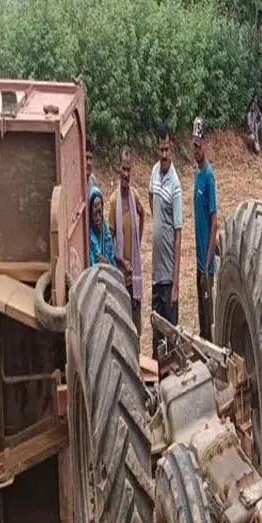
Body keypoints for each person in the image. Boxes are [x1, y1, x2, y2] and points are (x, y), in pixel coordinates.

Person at [148, 123, 184, 361]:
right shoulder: (154, 172)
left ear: (171, 148)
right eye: (160, 150)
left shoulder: (175, 185)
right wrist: (158, 223)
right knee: (156, 336)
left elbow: (179, 235)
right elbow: (151, 196)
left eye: (166, 150)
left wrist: (176, 284)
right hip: (155, 274)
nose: (163, 155)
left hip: (168, 276)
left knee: (171, 339)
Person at [108, 147, 147, 335]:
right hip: (121, 276)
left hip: (134, 276)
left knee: (136, 327)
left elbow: (143, 214)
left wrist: (138, 243)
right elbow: (110, 242)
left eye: (128, 170)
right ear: (118, 169)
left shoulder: (134, 196)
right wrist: (122, 262)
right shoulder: (113, 202)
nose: (125, 174)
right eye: (123, 169)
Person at [192, 117, 218, 341]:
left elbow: (214, 223)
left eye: (199, 146)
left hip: (206, 264)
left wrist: (207, 265)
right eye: (193, 146)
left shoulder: (208, 177)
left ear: (205, 145)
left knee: (209, 319)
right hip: (198, 261)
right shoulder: (197, 175)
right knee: (201, 315)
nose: (196, 150)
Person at [87, 186, 116, 267]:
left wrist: (106, 262)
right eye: (94, 214)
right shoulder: (89, 237)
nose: (98, 218)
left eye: (100, 212)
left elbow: (112, 262)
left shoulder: (106, 234)